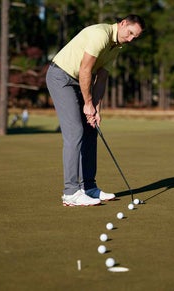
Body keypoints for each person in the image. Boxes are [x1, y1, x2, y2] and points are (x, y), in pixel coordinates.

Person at [46, 15, 145, 206]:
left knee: (92, 129)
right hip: (61, 77)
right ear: (123, 24)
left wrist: (96, 108)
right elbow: (85, 70)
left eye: (136, 37)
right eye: (131, 33)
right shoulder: (101, 35)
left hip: (78, 81)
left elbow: (101, 79)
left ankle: (89, 188)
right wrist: (88, 102)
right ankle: (71, 192)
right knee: (75, 131)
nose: (131, 39)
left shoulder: (117, 47)